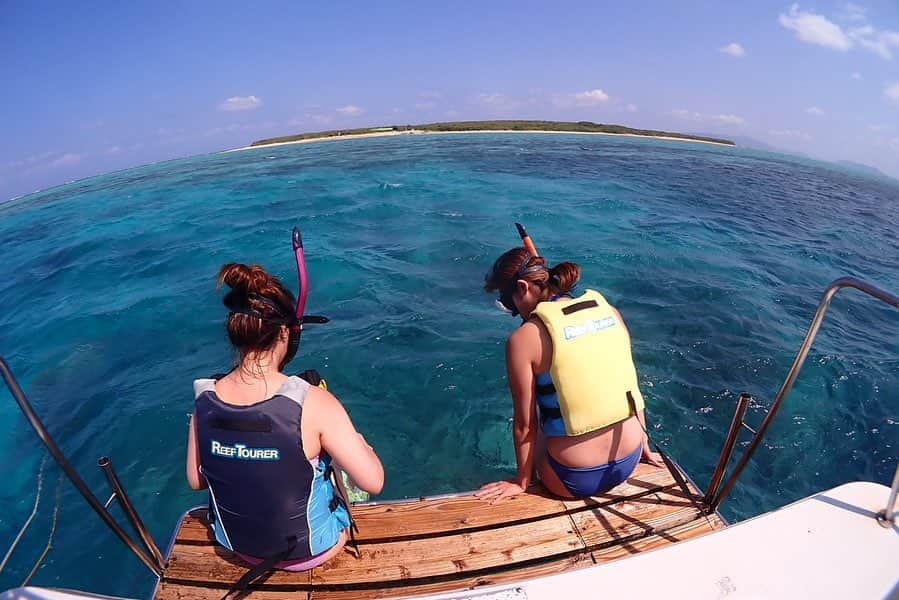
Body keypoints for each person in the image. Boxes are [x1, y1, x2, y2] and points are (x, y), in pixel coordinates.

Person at [185, 262, 384, 575]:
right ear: (284, 332)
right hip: (312, 551)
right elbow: (374, 482)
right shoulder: (314, 401)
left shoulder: (205, 401)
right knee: (343, 473)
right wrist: (361, 444)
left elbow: (196, 480)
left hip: (235, 546)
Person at [476, 248, 661, 503]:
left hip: (571, 479)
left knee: (541, 410)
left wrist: (521, 481)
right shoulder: (609, 311)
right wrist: (644, 447)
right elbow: (630, 387)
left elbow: (524, 425)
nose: (514, 310)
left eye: (509, 302)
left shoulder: (523, 339)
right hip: (629, 460)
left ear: (522, 287)